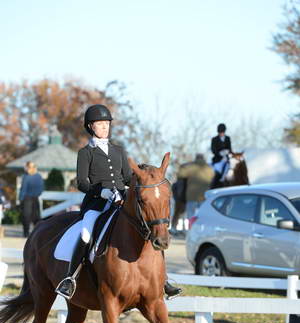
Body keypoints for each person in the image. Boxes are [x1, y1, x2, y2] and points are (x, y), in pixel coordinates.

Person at [55, 104, 181, 301]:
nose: (105, 127)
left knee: (147, 230)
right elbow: (81, 182)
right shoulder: (85, 153)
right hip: (96, 204)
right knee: (87, 233)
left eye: (107, 124)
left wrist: (136, 186)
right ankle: (71, 278)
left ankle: (163, 279)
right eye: (100, 124)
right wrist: (102, 192)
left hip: (120, 202)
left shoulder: (119, 151)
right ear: (91, 127)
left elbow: (127, 176)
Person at [170, 155, 213, 231]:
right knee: (203, 216)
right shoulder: (209, 168)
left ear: (196, 159)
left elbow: (180, 174)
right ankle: (202, 231)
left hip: (192, 196)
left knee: (191, 216)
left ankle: (191, 231)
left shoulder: (191, 167)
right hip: (205, 197)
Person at [19, 161, 44, 237]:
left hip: (27, 198)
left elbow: (23, 189)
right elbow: (41, 189)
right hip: (35, 198)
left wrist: (20, 199)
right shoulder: (39, 176)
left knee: (26, 216)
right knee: (36, 216)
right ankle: (37, 233)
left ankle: (26, 233)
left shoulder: (26, 176)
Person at [210, 123, 233, 188]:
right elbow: (213, 149)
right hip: (218, 160)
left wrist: (228, 151)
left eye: (222, 132)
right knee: (216, 172)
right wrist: (220, 153)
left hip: (227, 159)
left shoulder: (228, 138)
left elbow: (230, 148)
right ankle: (214, 185)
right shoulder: (214, 139)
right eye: (220, 132)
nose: (221, 133)